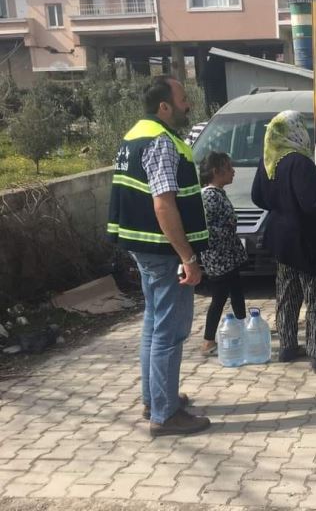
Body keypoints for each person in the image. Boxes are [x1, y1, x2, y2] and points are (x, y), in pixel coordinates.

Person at [107, 75, 211, 437]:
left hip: (143, 247)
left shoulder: (134, 136)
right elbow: (164, 203)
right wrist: (188, 256)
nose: (187, 105)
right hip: (165, 252)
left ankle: (156, 399)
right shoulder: (162, 142)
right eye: (183, 99)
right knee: (170, 331)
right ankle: (165, 416)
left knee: (153, 325)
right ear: (164, 106)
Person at [251, 110, 316, 374]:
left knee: (287, 294)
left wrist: (282, 204)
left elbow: (258, 197)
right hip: (309, 242)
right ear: (296, 131)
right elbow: (314, 203)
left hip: (282, 241)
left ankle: (288, 346)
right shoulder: (299, 163)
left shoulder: (268, 160)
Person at [197, 151, 248, 356]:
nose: (233, 171)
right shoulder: (208, 196)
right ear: (216, 172)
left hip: (228, 257)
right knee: (219, 298)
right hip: (218, 259)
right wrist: (227, 231)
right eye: (228, 168)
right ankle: (208, 341)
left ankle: (244, 325)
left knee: (236, 291)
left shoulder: (218, 193)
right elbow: (207, 229)